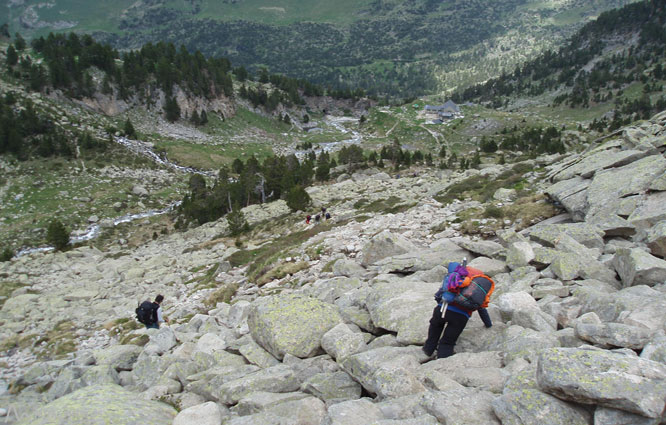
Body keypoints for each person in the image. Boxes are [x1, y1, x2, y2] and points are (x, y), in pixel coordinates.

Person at [423, 262, 493, 359]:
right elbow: (482, 309)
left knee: (435, 330)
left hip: (442, 308)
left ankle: (428, 350)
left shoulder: (455, 279)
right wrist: (488, 324)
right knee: (448, 341)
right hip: (460, 317)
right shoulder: (477, 289)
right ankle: (442, 360)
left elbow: (440, 294)